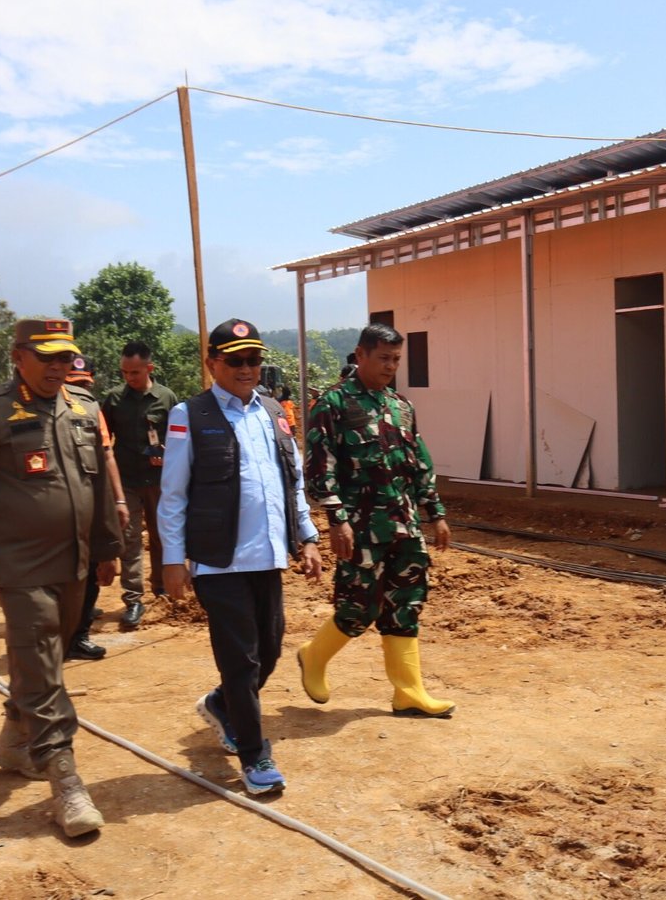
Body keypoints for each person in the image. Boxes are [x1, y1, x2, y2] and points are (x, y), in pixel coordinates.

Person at [0, 318, 121, 838]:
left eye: (66, 358)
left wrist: (108, 550)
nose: (59, 368)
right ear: (19, 356)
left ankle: (15, 740)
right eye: (48, 358)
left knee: (47, 657)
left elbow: (99, 488)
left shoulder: (84, 409)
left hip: (76, 563)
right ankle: (65, 779)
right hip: (20, 566)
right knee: (41, 657)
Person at [158, 318, 322, 795]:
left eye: (254, 360)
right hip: (219, 560)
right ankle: (254, 757)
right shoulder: (190, 414)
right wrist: (172, 559)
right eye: (236, 361)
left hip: (268, 555)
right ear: (213, 364)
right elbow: (173, 495)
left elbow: (292, 481)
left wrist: (307, 536)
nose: (248, 369)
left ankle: (222, 705)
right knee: (241, 661)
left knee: (269, 650)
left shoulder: (272, 411)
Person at [297, 323, 455, 718]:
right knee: (358, 607)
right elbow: (320, 469)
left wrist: (435, 514)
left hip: (404, 525)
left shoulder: (401, 406)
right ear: (361, 354)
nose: (390, 366)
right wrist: (337, 519)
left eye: (396, 359)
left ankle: (409, 692)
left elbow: (419, 463)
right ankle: (313, 658)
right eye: (383, 358)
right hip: (360, 527)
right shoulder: (332, 404)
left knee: (406, 603)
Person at [101, 339, 178, 631]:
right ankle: (134, 598)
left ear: (149, 368)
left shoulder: (166, 398)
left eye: (135, 372)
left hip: (160, 481)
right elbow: (104, 441)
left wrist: (167, 453)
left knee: (161, 536)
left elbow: (179, 437)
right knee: (130, 538)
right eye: (124, 373)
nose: (129, 378)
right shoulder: (114, 399)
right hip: (127, 480)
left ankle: (161, 589)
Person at [62, 354, 131, 662]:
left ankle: (78, 635)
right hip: (54, 510)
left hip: (88, 502)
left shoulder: (90, 410)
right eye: (72, 383)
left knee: (90, 570)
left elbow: (106, 455)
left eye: (83, 384)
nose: (78, 390)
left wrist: (117, 499)